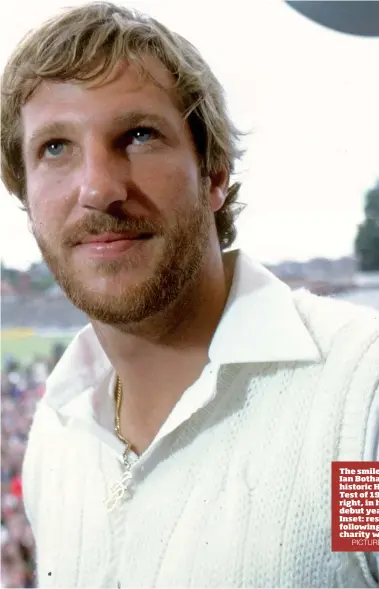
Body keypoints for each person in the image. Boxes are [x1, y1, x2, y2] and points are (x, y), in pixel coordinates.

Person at [1, 3, 378, 587]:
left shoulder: (359, 408)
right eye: (55, 148)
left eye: (139, 135)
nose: (99, 187)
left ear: (215, 174)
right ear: (28, 205)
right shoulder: (57, 434)